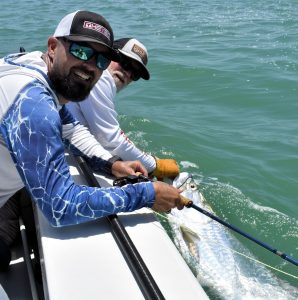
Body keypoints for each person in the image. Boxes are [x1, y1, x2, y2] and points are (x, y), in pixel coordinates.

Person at [0, 10, 185, 270]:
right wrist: (146, 193)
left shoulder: (31, 65)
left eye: (101, 60)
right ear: (53, 46)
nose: (90, 66)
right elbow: (60, 207)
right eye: (82, 51)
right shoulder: (34, 104)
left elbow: (71, 130)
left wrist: (111, 165)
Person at [67, 37, 180, 178]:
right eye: (125, 63)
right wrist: (154, 165)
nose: (128, 74)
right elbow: (112, 140)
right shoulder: (101, 78)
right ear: (110, 55)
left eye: (135, 74)